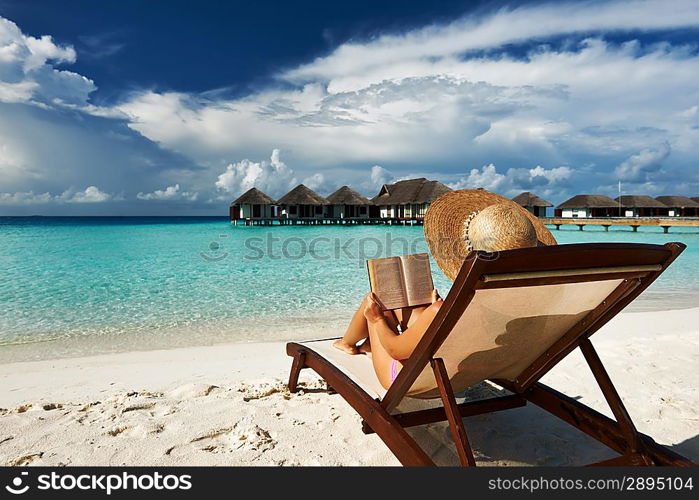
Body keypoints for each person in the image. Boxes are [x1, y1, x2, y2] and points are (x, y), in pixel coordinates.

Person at [333, 189, 558, 389]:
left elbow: (396, 350)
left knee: (376, 302)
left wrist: (376, 321)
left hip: (413, 380)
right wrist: (436, 310)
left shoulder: (445, 313)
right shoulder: (524, 309)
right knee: (410, 307)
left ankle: (347, 343)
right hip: (464, 373)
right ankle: (367, 344)